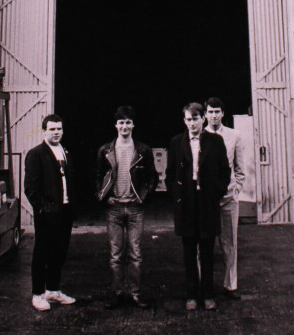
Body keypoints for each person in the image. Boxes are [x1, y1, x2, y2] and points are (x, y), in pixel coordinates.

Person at [166, 102, 231, 311]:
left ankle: (208, 294)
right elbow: (169, 174)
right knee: (188, 251)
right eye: (188, 119)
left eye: (195, 119)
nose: (191, 123)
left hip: (207, 202)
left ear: (203, 119)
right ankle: (192, 295)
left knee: (207, 250)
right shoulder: (176, 143)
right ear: (183, 121)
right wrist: (177, 196)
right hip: (186, 202)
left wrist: (216, 192)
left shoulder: (215, 141)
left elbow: (225, 171)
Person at [96, 105, 159, 309]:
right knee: (115, 254)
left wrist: (142, 197)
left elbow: (152, 178)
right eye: (121, 122)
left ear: (133, 125)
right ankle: (116, 294)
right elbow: (98, 177)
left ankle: (135, 293)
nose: (125, 126)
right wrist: (104, 198)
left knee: (135, 254)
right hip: (114, 208)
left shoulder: (143, 150)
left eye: (128, 122)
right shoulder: (105, 150)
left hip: (134, 208)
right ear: (116, 125)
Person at [24, 114, 77, 312]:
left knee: (59, 252)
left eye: (59, 129)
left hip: (65, 212)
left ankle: (53, 290)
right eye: (52, 129)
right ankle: (37, 294)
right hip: (47, 214)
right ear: (44, 131)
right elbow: (30, 188)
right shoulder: (36, 154)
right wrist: (43, 209)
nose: (56, 133)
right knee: (42, 253)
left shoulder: (66, 152)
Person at [204, 97, 245, 299]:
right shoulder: (198, 134)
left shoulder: (234, 136)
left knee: (229, 243)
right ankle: (204, 286)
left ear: (223, 114)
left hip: (228, 198)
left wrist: (236, 189)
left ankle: (231, 285)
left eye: (217, 112)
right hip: (205, 200)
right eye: (210, 112)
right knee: (204, 243)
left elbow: (240, 168)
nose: (213, 116)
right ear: (205, 114)